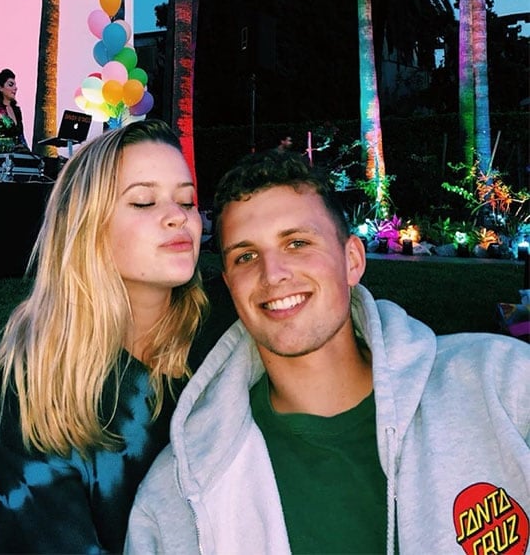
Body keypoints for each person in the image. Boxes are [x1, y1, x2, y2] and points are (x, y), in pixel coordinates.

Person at [125, 150, 530, 555]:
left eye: (297, 243)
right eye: (246, 256)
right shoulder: (178, 495)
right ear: (230, 284)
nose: (273, 274)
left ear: (352, 260)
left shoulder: (500, 383)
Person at [0, 119, 235, 554]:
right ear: (86, 225)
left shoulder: (229, 319)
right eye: (144, 201)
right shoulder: (35, 384)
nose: (178, 217)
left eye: (186, 199)